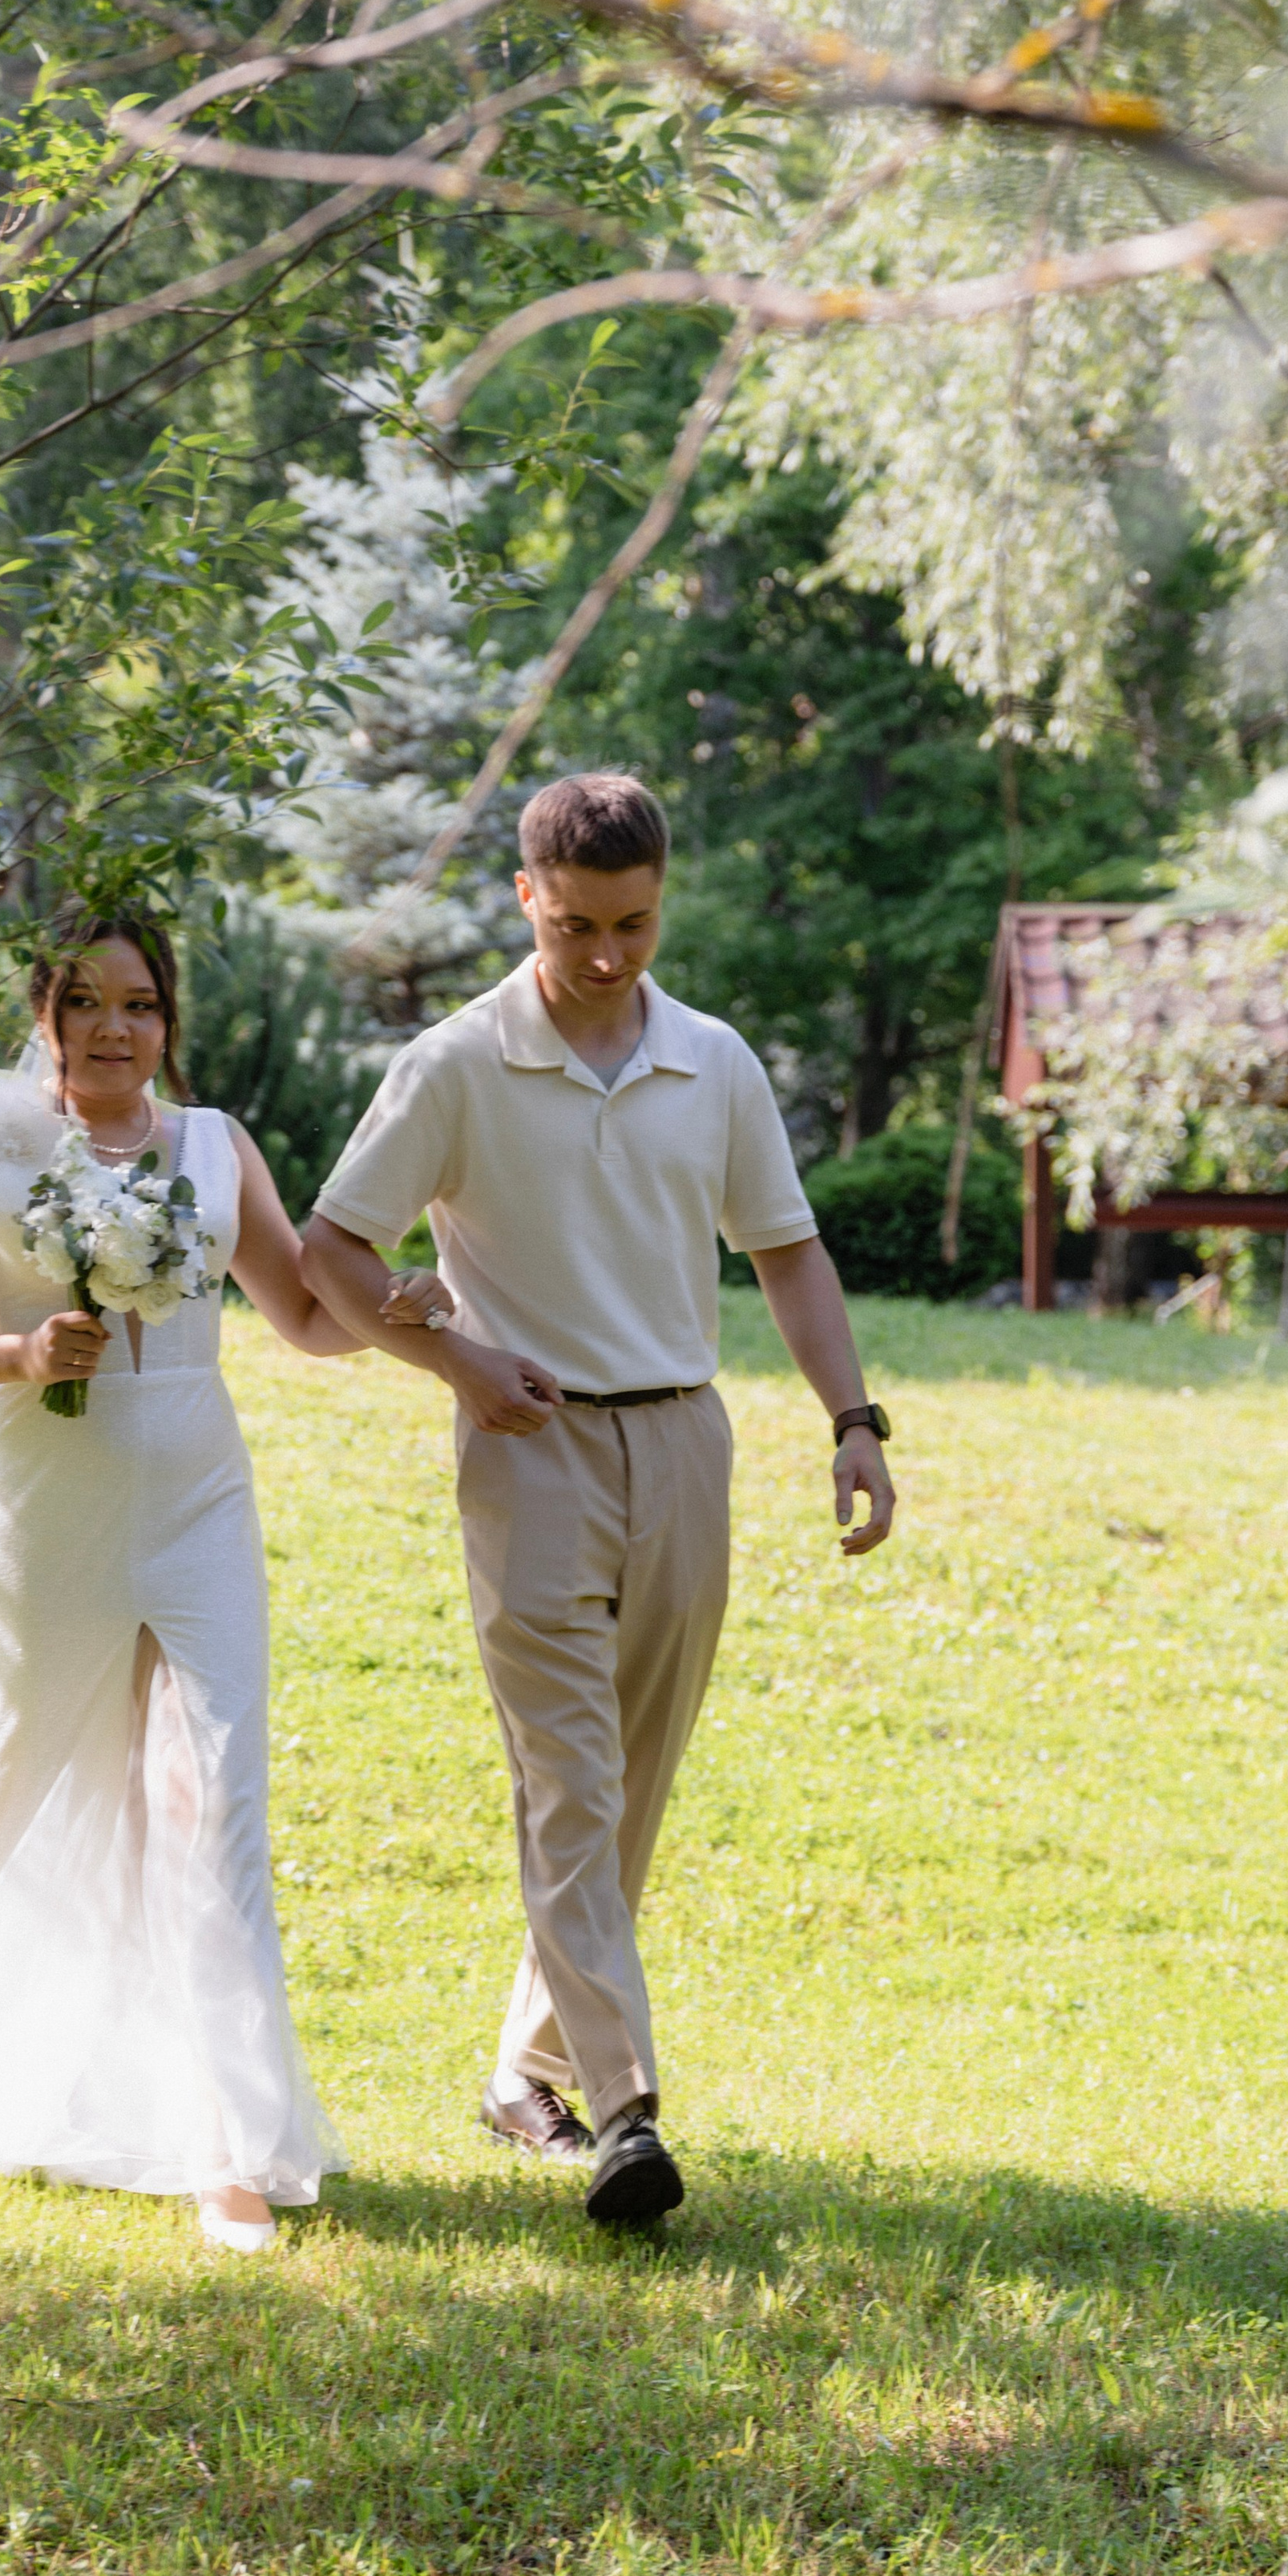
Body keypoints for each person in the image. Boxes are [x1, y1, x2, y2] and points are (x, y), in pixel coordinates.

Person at [302, 773, 895, 2227]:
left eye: (632, 924)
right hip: (532, 1448)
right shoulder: (453, 1065)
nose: (607, 955)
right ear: (525, 901)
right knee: (570, 1786)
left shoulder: (716, 1060)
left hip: (687, 1445)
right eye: (576, 925)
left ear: (661, 902)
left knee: (628, 1793)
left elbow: (789, 1254)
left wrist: (855, 1421)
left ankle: (527, 2075)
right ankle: (627, 2114)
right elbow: (331, 1248)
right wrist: (449, 1356)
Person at [0, 912, 450, 2252]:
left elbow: (300, 1313)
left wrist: (400, 1306)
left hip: (195, 1501)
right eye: (85, 1002)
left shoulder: (216, 1148)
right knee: (12, 1776)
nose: (115, 1028)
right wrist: (11, 1359)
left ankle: (225, 2145)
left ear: (169, 1021)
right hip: (42, 1508)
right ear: (46, 1014)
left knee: (216, 1795)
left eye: (140, 1004)